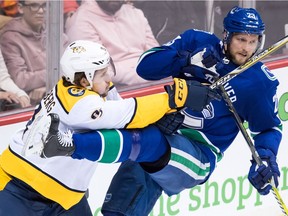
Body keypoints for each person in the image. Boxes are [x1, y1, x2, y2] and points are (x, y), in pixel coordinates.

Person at [42, 6, 282, 216]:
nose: (247, 49)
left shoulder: (258, 81)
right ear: (227, 36)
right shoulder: (197, 42)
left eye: (253, 41)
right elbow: (146, 67)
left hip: (198, 154)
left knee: (145, 139)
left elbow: (269, 128)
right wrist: (187, 59)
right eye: (241, 40)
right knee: (116, 211)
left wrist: (266, 157)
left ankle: (69, 145)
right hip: (160, 134)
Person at [0, 40, 219, 215]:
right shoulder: (76, 101)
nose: (109, 78)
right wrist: (173, 99)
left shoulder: (98, 89)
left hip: (65, 198)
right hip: (19, 189)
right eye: (102, 73)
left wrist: (163, 116)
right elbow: (125, 114)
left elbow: (128, 117)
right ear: (84, 80)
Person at [65, 0, 159, 89]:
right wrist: (149, 73)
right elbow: (99, 71)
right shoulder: (80, 21)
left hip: (153, 83)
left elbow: (156, 55)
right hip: (113, 93)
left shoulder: (136, 13)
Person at [0, 0, 46, 105]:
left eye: (45, 5)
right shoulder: (10, 38)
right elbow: (21, 80)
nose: (41, 11)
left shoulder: (55, 30)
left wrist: (21, 95)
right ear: (20, 8)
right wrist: (53, 74)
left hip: (54, 95)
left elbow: (2, 77)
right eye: (34, 6)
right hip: (38, 102)